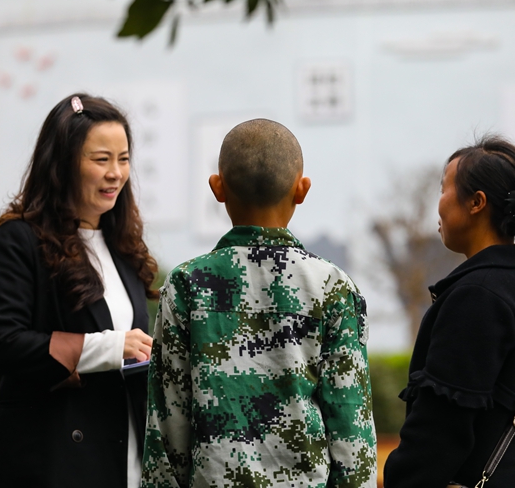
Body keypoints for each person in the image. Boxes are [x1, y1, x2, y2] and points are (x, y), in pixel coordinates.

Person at [140, 119, 377, 488]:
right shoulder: (332, 287)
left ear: (217, 188)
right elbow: (351, 429)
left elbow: (168, 424)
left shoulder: (187, 285)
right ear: (302, 190)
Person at [0, 94, 158, 488]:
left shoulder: (123, 247)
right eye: (101, 159)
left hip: (123, 463)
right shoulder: (19, 240)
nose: (116, 173)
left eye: (124, 159)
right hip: (50, 465)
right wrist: (111, 348)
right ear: (62, 164)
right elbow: (2, 343)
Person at [383, 135, 515, 488]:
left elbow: (440, 430)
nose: (437, 206)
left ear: (476, 203)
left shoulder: (476, 296)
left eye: (443, 189)